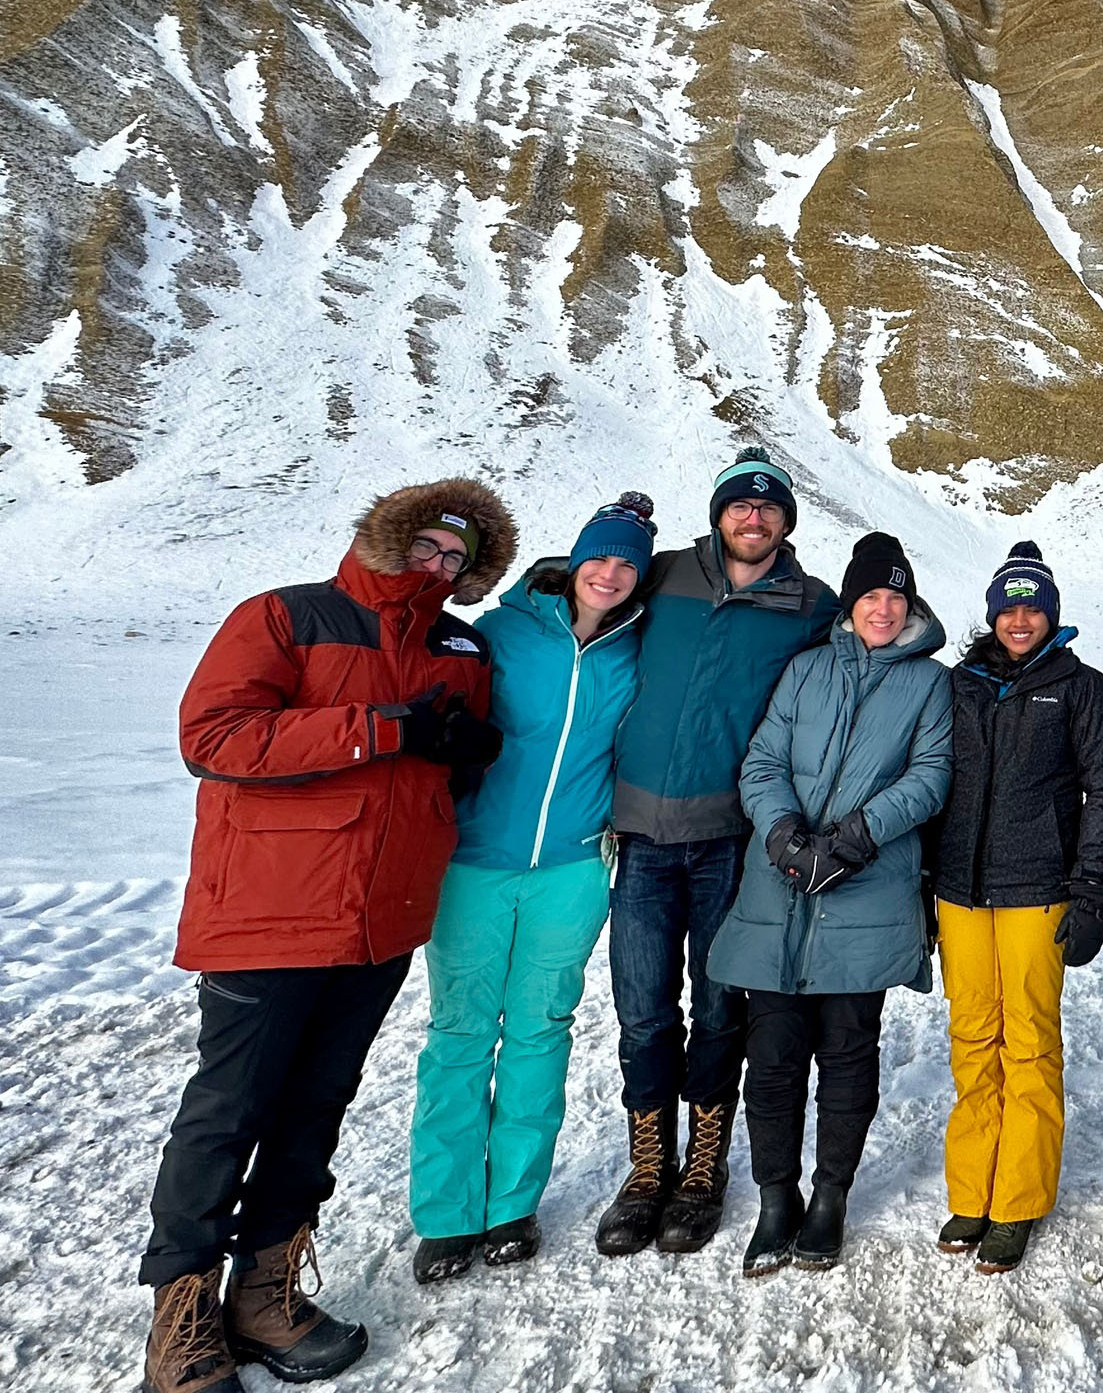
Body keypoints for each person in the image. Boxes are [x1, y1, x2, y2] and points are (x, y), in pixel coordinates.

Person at [140, 480, 516, 1393]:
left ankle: (264, 1295)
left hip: (382, 917)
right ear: (391, 539)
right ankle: (181, 1316)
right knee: (229, 1109)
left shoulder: (459, 647)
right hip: (270, 907)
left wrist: (463, 754)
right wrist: (382, 728)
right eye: (428, 548)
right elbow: (214, 736)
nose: (439, 567)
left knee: (316, 1104)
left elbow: (441, 766)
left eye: (457, 559)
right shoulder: (286, 616)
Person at [408, 492, 657, 1285]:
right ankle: (446, 1214)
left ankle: (512, 1205)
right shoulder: (501, 632)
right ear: (574, 561)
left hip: (573, 870)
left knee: (540, 1033)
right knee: (459, 1035)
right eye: (600, 557)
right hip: (474, 863)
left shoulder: (636, 648)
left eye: (627, 564)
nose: (610, 574)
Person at [596, 447, 839, 1257]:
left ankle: (703, 1168)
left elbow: (870, 656)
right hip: (641, 838)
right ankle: (646, 1169)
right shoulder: (663, 575)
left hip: (730, 842)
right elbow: (583, 589)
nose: (754, 518)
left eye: (769, 508)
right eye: (741, 504)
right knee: (642, 1012)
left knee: (717, 1009)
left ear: (786, 522)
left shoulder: (809, 603)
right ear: (719, 513)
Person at [709, 531, 953, 1275]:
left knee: (848, 1053)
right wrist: (783, 833)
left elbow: (931, 775)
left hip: (867, 886)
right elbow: (763, 761)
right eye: (870, 595)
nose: (883, 609)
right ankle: (775, 1197)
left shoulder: (930, 683)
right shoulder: (807, 668)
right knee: (772, 1057)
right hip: (779, 887)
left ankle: (830, 1198)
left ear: (911, 606)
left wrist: (857, 835)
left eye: (895, 596)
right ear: (850, 604)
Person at [930, 541, 1103, 1276]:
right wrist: (923, 885)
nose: (1020, 621)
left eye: (1033, 608)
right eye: (1009, 609)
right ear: (992, 615)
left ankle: (1017, 1201)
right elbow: (933, 783)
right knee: (971, 1038)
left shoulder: (1082, 688)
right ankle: (971, 1192)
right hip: (960, 892)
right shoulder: (960, 685)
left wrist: (1091, 893)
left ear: (1051, 615)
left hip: (1038, 891)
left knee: (1031, 1045)